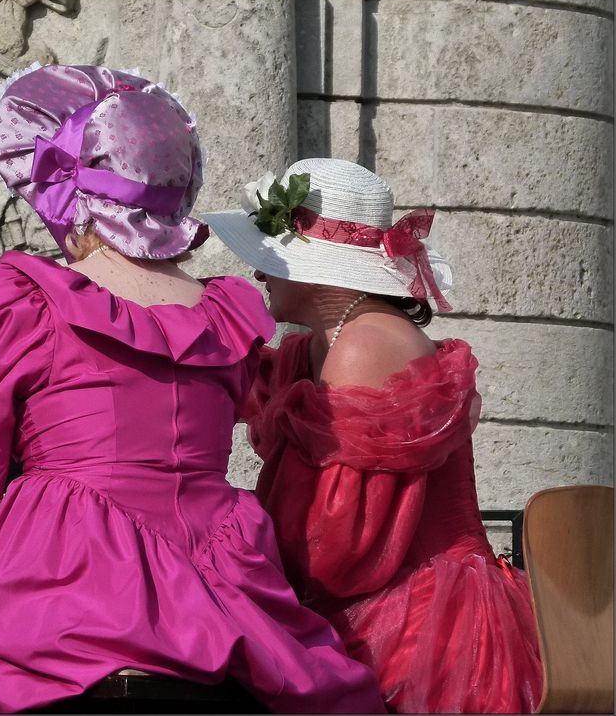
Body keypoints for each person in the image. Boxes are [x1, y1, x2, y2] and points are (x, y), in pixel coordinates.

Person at [0, 68, 384, 714]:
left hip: (68, 566)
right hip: (215, 571)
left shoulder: (27, 297)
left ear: (73, 197)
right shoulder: (224, 313)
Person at [203, 157, 544, 713]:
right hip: (368, 602)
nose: (259, 273)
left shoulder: (369, 342)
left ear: (317, 267)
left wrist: (219, 540)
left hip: (422, 627)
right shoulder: (313, 349)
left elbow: (338, 547)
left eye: (272, 258)